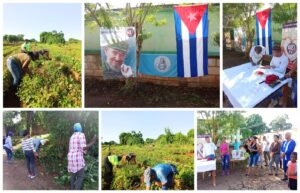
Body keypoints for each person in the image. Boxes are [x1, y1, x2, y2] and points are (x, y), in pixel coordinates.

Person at [68, 123, 97, 190]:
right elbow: (83, 148)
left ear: (74, 129)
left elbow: (70, 148)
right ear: (80, 128)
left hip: (71, 159)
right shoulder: (81, 135)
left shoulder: (72, 136)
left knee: (73, 175)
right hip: (77, 159)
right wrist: (93, 141)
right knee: (81, 176)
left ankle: (72, 189)